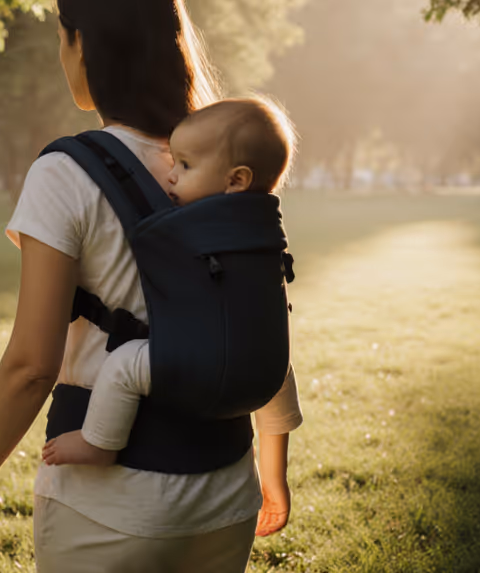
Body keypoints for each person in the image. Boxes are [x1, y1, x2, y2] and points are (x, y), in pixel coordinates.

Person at [0, 0, 303, 572]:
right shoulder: (221, 162)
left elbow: (32, 365)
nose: (62, 58)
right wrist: (274, 471)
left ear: (83, 44)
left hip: (111, 505)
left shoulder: (65, 172)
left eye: (62, 39)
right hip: (226, 490)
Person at [41, 97, 297, 470]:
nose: (171, 176)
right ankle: (275, 470)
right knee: (277, 351)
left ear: (236, 180)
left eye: (186, 165)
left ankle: (99, 442)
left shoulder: (197, 227)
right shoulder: (266, 233)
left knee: (125, 363)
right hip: (262, 369)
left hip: (195, 364)